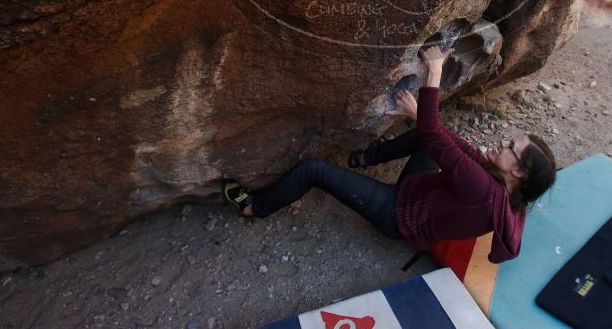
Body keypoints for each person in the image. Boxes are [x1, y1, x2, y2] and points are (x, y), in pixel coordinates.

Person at [222, 45, 557, 263]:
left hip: (398, 216)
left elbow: (435, 136)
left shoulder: (484, 192)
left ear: (520, 173)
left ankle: (256, 207)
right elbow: (451, 143)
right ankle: (362, 159)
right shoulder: (497, 185)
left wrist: (435, 70)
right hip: (420, 193)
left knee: (313, 169)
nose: (501, 143)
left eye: (511, 148)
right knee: (431, 139)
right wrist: (420, 117)